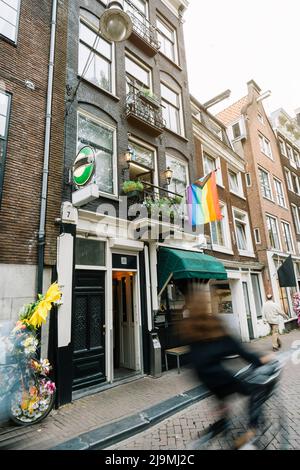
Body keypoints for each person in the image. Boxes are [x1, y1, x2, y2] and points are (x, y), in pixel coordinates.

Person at [177, 280, 274, 449]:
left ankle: (210, 433)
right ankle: (251, 431)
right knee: (256, 389)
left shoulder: (189, 328)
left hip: (205, 380)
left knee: (223, 405)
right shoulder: (215, 325)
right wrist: (263, 359)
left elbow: (189, 360)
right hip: (220, 376)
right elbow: (243, 352)